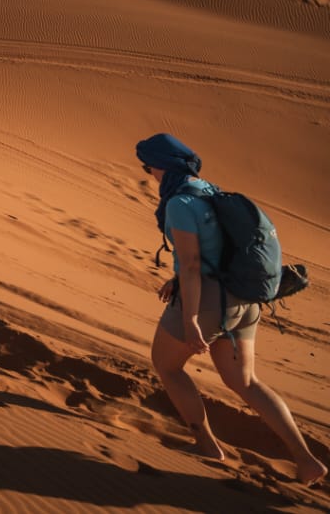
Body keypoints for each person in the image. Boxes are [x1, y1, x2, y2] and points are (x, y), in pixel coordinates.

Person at [137, 133, 326, 485]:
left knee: (167, 366)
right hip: (244, 301)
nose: (148, 172)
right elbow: (218, 247)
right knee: (247, 382)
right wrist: (177, 279)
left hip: (208, 302)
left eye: (148, 165)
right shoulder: (209, 189)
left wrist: (191, 318)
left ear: (161, 164)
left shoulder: (179, 203)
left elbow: (192, 265)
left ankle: (208, 446)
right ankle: (306, 460)